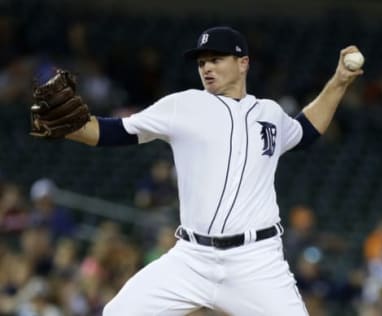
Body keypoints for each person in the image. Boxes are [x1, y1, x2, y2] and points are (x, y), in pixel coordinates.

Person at [34, 26, 363, 315]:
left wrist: (338, 82)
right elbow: (111, 132)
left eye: (216, 59)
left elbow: (305, 132)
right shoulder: (183, 105)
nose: (207, 67)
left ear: (243, 63)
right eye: (202, 62)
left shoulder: (270, 113)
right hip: (192, 257)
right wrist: (72, 128)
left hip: (256, 260)